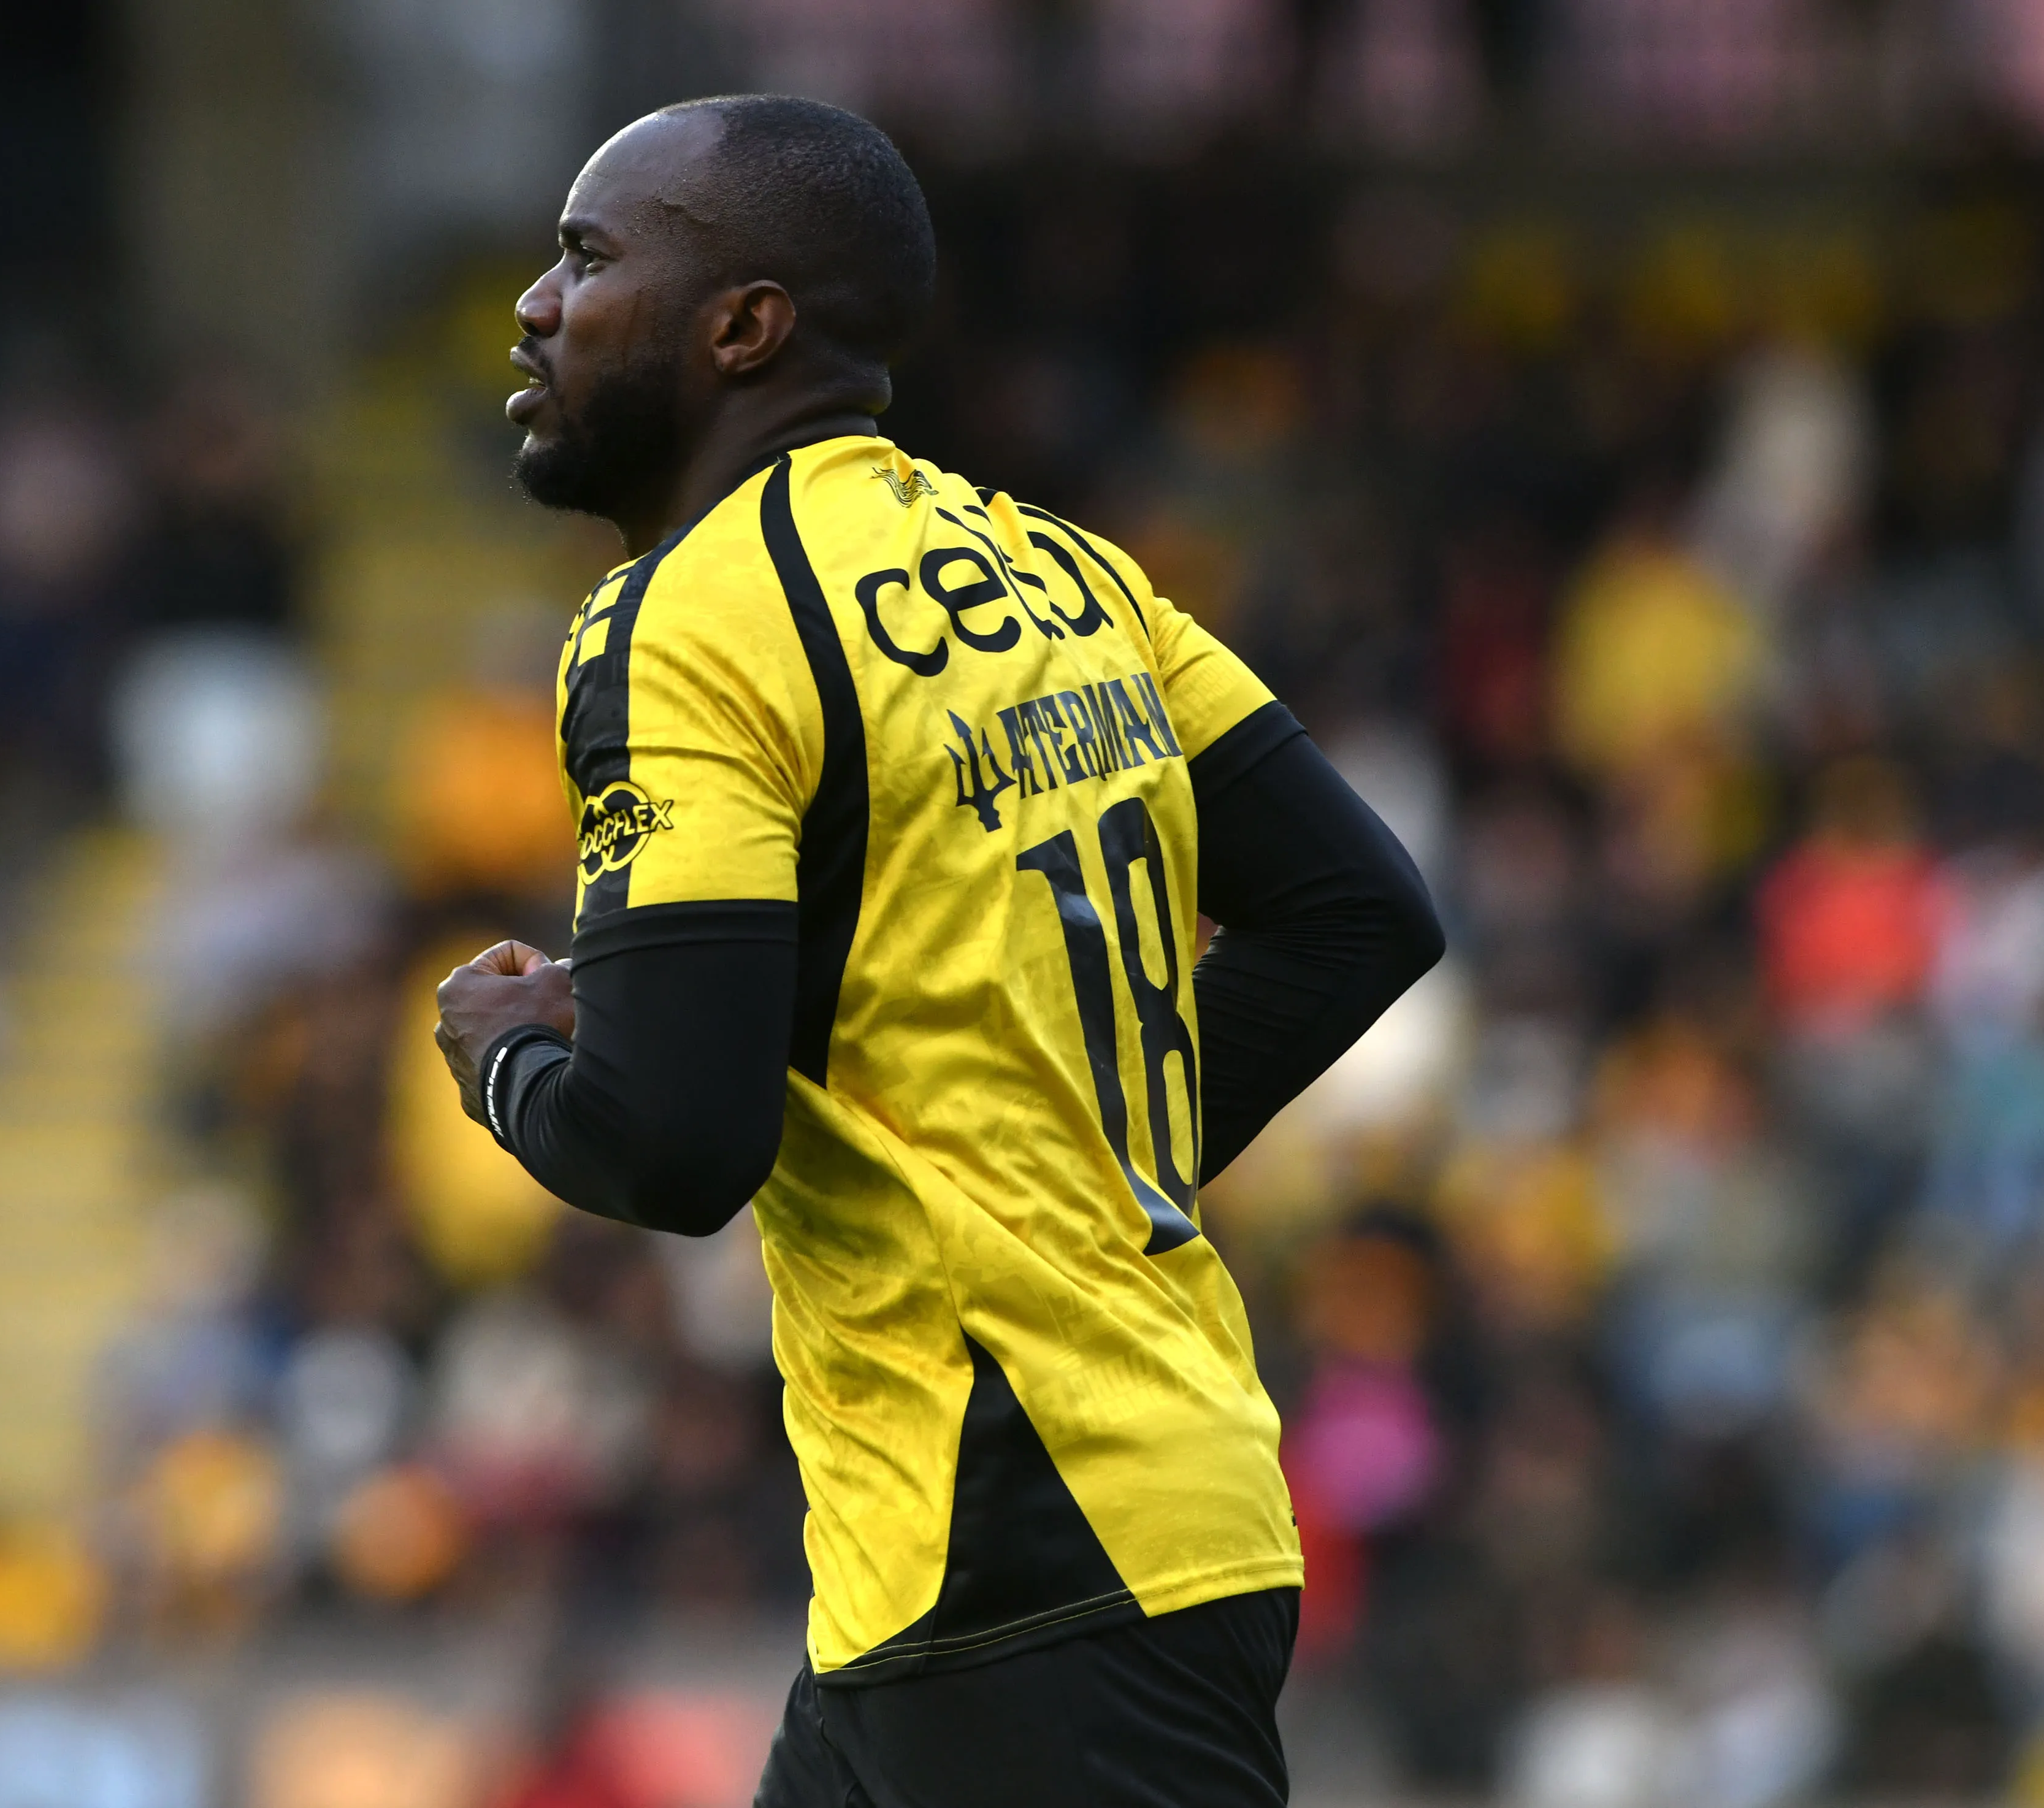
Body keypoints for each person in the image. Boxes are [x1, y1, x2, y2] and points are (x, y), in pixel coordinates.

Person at [431, 94, 1444, 1808]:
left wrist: (504, 1055)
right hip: (1036, 1524)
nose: (535, 303)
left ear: (741, 324)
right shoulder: (1063, 571)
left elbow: (674, 1146)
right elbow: (1358, 912)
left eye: (588, 256)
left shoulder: (689, 614)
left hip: (1021, 1533)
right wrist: (1073, 1154)